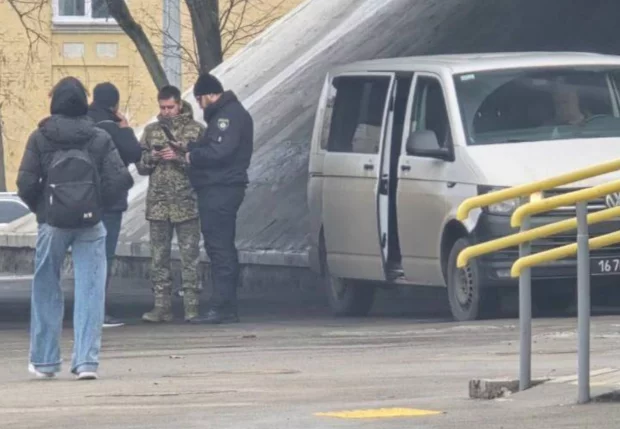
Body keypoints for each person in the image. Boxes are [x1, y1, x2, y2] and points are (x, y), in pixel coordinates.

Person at [16, 76, 133, 380]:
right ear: (83, 102)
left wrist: (45, 209)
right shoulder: (98, 137)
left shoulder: (40, 137)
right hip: (91, 223)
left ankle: (45, 361)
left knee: (46, 286)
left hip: (52, 223)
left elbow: (25, 183)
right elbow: (120, 179)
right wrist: (97, 204)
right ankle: (86, 363)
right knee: (91, 289)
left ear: (54, 103)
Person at [186, 73, 254, 325]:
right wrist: (192, 148)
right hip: (220, 187)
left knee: (219, 247)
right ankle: (225, 305)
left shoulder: (227, 117)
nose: (199, 105)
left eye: (199, 99)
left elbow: (220, 152)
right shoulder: (228, 114)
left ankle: (222, 306)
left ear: (209, 95)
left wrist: (193, 157)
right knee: (221, 246)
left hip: (221, 188)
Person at [136, 85, 204, 323]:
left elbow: (204, 164)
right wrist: (152, 157)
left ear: (179, 104)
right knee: (158, 257)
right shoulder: (151, 130)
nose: (166, 112)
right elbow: (140, 166)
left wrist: (178, 158)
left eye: (170, 107)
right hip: (159, 203)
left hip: (186, 201)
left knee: (190, 256)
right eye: (163, 107)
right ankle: (161, 306)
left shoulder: (196, 130)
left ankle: (192, 306)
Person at [88, 82, 142, 328]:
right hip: (110, 201)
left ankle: (85, 309)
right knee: (104, 255)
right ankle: (98, 311)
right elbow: (134, 152)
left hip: (82, 199)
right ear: (115, 104)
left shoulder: (82, 122)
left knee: (86, 255)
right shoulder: (111, 126)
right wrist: (126, 128)